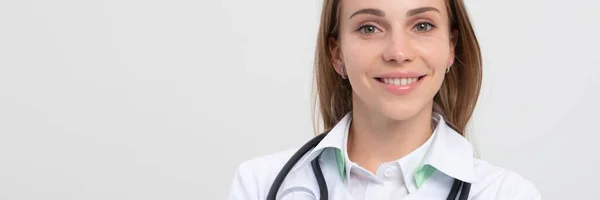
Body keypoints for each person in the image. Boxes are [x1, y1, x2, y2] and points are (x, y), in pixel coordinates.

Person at [227, 0, 541, 199]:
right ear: (337, 53)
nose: (398, 53)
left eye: (422, 25)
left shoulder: (506, 193)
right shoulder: (260, 185)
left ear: (451, 46)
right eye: (370, 28)